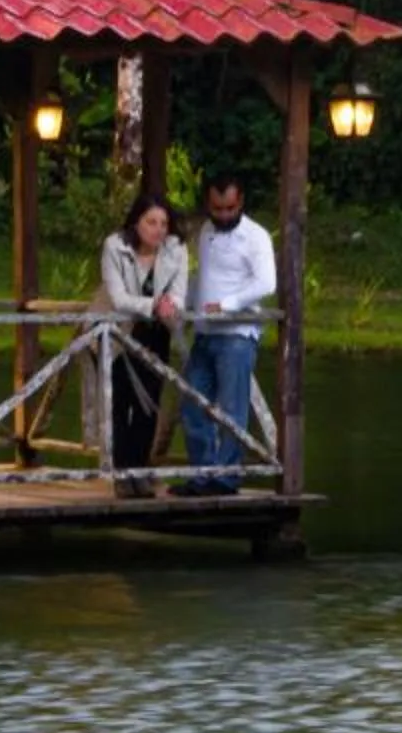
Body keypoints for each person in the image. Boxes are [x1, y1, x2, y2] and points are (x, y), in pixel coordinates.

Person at [177, 171, 275, 495]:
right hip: (204, 333)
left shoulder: (256, 236)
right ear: (208, 204)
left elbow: (265, 283)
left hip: (236, 333)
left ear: (241, 201)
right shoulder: (206, 231)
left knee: (232, 409)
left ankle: (227, 477)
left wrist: (225, 305)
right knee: (192, 402)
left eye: (229, 208)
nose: (223, 215)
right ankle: (202, 474)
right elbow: (203, 276)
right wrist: (185, 305)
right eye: (217, 208)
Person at [92, 193, 188, 499]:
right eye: (151, 222)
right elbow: (119, 299)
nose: (158, 229)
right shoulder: (114, 246)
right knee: (121, 402)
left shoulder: (176, 249)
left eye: (164, 223)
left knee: (149, 404)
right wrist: (155, 304)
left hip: (155, 331)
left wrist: (170, 305)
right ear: (137, 222)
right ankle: (122, 474)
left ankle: (140, 471)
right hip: (116, 330)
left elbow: (179, 294)